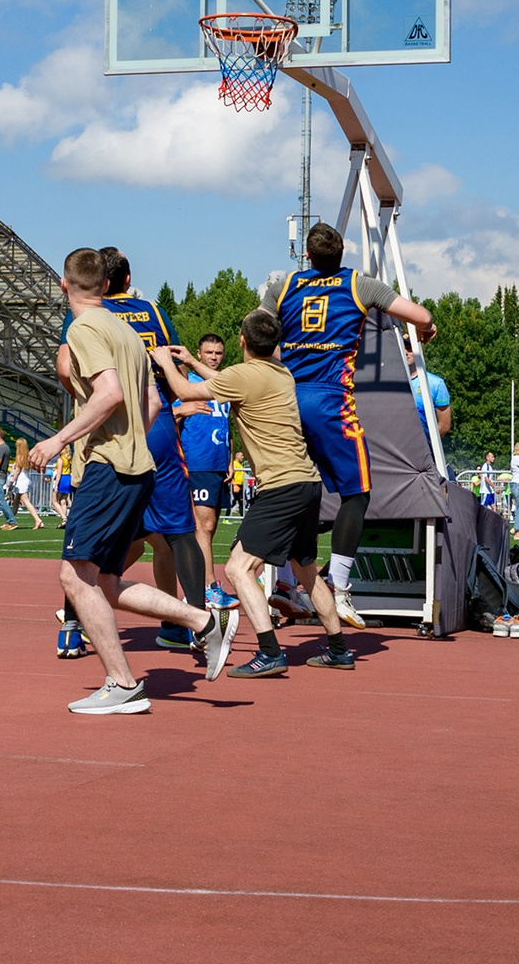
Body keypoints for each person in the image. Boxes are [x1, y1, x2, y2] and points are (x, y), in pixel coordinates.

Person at [30, 248, 233, 713]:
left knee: (75, 575)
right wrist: (132, 434)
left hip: (109, 466)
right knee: (103, 579)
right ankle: (203, 622)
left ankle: (123, 684)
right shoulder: (128, 331)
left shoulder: (83, 328)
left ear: (65, 285)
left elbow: (110, 392)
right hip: (141, 462)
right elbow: (154, 401)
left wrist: (61, 439)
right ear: (107, 286)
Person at [156, 310, 356, 676]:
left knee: (237, 567)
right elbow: (228, 381)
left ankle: (269, 652)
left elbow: (185, 391)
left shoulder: (242, 376)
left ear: (242, 341)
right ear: (275, 344)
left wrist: (165, 363)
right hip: (307, 483)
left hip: (280, 487)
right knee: (306, 570)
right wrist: (190, 360)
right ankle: (339, 650)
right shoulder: (280, 372)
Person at [262, 224, 437, 633]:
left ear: (307, 256)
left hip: (287, 398)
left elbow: (254, 335)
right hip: (329, 402)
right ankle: (338, 586)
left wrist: (282, 359)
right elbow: (420, 315)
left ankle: (287, 582)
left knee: (296, 490)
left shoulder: (283, 285)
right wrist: (427, 327)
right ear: (342, 254)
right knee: (357, 494)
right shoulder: (359, 284)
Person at [177, 333, 235, 557]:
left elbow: (226, 425)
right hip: (197, 462)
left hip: (219, 464)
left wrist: (230, 460)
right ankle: (207, 586)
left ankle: (204, 585)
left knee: (211, 528)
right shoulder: (187, 384)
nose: (213, 357)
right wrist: (183, 410)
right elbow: (165, 415)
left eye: (218, 353)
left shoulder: (226, 384)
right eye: (209, 353)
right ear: (198, 354)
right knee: (204, 526)